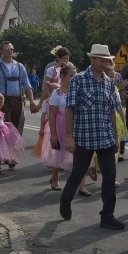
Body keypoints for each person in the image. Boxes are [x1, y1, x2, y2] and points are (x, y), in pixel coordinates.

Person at [59, 44, 124, 229]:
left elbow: (112, 112)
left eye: (106, 61)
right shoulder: (78, 80)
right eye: (101, 60)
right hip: (84, 137)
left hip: (105, 137)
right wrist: (69, 136)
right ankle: (65, 200)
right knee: (78, 173)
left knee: (110, 176)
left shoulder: (109, 82)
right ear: (92, 59)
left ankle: (107, 215)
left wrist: (116, 137)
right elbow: (69, 108)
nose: (104, 64)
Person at [41, 62, 90, 195]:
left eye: (75, 75)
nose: (74, 78)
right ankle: (55, 178)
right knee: (59, 153)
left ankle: (82, 185)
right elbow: (52, 114)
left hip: (77, 126)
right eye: (71, 76)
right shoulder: (57, 94)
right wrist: (53, 134)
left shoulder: (79, 91)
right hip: (61, 125)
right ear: (62, 76)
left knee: (80, 156)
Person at [0, 41, 38, 141]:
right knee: (5, 130)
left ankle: (13, 148)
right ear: (1, 51)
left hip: (17, 101)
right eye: (7, 49)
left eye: (11, 49)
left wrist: (32, 102)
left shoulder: (20, 66)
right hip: (2, 102)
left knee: (17, 128)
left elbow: (27, 85)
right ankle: (5, 149)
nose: (10, 51)